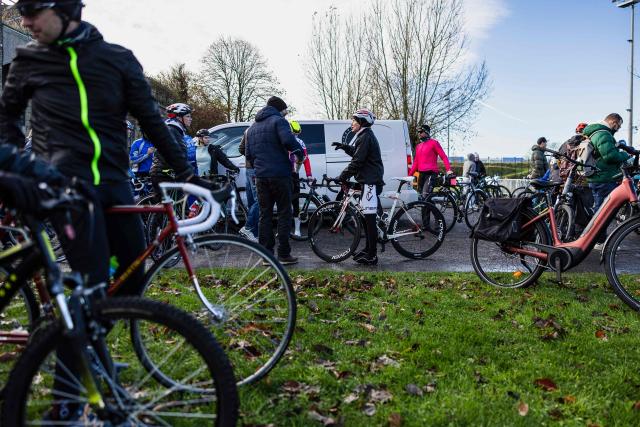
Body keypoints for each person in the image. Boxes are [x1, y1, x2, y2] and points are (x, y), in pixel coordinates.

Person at [0, 1, 212, 422]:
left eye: (32, 10)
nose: (23, 20)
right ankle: (66, 400)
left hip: (114, 185)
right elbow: (5, 118)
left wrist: (189, 172)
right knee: (87, 289)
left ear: (64, 10)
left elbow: (151, 120)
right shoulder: (28, 60)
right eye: (19, 9)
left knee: (131, 281)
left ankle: (86, 350)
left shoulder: (116, 59)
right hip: (64, 191)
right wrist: (15, 170)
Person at [245, 96, 303, 264]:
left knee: (265, 215)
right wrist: (299, 154)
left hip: (261, 176)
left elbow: (248, 154)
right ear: (279, 109)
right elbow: (288, 141)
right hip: (280, 174)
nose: (285, 115)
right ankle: (284, 254)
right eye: (285, 111)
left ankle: (266, 255)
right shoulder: (279, 121)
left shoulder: (253, 127)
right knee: (285, 212)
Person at [335, 108, 384, 265]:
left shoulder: (365, 136)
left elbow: (358, 161)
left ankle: (372, 255)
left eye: (354, 120)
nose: (352, 123)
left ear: (362, 122)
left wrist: (343, 176)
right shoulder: (364, 136)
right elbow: (358, 153)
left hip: (370, 181)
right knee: (366, 219)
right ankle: (368, 249)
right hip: (367, 180)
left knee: (369, 220)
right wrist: (344, 146)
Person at [149, 103, 193, 193]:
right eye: (188, 116)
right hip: (164, 174)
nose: (190, 119)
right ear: (179, 118)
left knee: (179, 205)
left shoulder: (174, 130)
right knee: (177, 205)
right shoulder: (172, 130)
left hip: (165, 173)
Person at [408, 124, 453, 200]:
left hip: (431, 174)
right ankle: (432, 210)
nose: (419, 133)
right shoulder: (418, 146)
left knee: (425, 196)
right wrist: (409, 176)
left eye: (421, 131)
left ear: (427, 132)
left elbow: (444, 157)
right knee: (421, 197)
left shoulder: (434, 143)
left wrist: (448, 170)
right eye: (418, 132)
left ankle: (432, 211)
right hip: (421, 174)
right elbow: (416, 163)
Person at [289, 120, 312, 237]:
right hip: (289, 174)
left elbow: (306, 159)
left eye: (297, 134)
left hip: (291, 175)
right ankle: (291, 229)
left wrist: (309, 175)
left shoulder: (299, 142)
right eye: (295, 133)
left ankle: (296, 229)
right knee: (291, 201)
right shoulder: (286, 140)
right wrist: (309, 175)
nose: (296, 136)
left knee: (294, 201)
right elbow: (306, 160)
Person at [238, 130, 259, 241]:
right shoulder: (260, 131)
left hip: (249, 168)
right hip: (257, 168)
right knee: (259, 200)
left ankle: (254, 234)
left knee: (252, 202)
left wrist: (249, 158)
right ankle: (248, 228)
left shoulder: (247, 130)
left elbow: (241, 149)